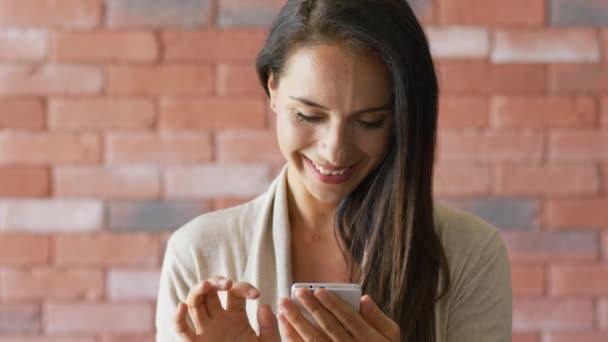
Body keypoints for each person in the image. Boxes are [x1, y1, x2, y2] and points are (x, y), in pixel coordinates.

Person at [155, 0, 512, 341]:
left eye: (370, 121)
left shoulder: (469, 254)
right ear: (273, 88)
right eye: (309, 115)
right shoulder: (199, 253)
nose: (335, 150)